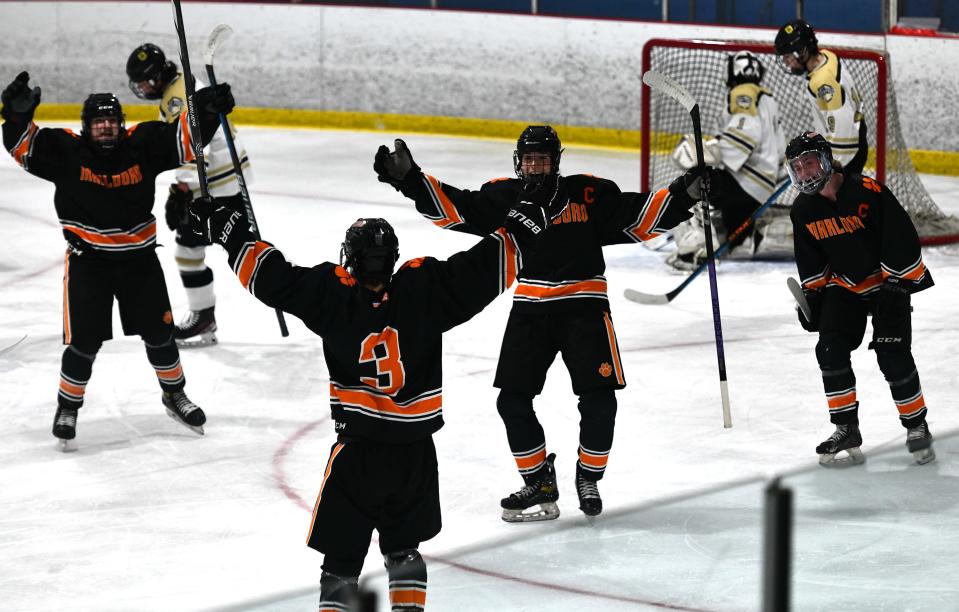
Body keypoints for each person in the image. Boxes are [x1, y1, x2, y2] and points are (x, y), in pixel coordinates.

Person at [188, 173, 561, 610]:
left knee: (341, 566)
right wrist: (526, 220)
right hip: (415, 455)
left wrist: (229, 230)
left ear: (352, 258)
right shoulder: (426, 290)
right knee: (404, 552)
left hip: (358, 457)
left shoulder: (331, 295)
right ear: (392, 258)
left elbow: (272, 278)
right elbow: (485, 268)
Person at [374, 126, 707, 521]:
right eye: (529, 159)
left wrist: (685, 191)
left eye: (542, 160)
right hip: (531, 309)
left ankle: (588, 476)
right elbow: (457, 209)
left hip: (585, 308)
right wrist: (409, 180)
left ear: (556, 162)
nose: (535, 167)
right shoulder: (507, 197)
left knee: (600, 400)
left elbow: (639, 216)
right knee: (511, 401)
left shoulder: (587, 193)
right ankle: (538, 481)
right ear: (519, 161)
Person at [1, 71, 234, 447]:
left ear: (121, 124)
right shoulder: (65, 151)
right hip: (88, 265)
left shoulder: (142, 143)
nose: (106, 128)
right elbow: (23, 148)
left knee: (160, 336)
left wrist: (206, 111)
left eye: (112, 121)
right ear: (86, 126)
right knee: (83, 344)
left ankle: (174, 395)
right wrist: (15, 118)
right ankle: (68, 406)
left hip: (139, 263)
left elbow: (185, 141)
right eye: (99, 122)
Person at [786, 131, 934, 467]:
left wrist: (898, 283)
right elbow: (812, 261)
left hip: (887, 283)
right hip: (847, 286)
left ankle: (916, 426)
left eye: (809, 163)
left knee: (892, 352)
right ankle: (846, 428)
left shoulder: (868, 192)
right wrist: (813, 298)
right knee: (829, 348)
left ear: (825, 160)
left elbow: (901, 237)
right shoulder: (804, 210)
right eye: (798, 167)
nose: (806, 172)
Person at [126, 43, 253, 346]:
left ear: (156, 78)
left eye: (145, 81)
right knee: (235, 246)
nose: (143, 88)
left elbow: (195, 143)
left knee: (193, 250)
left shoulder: (175, 97)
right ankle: (206, 317)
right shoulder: (183, 84)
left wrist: (183, 188)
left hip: (217, 182)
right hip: (227, 176)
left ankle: (204, 318)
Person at [669, 50, 788, 270]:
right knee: (732, 226)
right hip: (760, 186)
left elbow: (744, 136)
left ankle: (700, 246)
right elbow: (780, 148)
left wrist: (708, 151)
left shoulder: (743, 92)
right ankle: (726, 237)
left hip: (744, 184)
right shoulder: (767, 97)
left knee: (693, 180)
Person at [775, 19, 868, 175]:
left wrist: (832, 162)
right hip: (856, 139)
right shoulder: (826, 56)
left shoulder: (822, 81)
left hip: (847, 150)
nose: (788, 64)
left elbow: (841, 120)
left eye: (789, 57)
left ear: (802, 52)